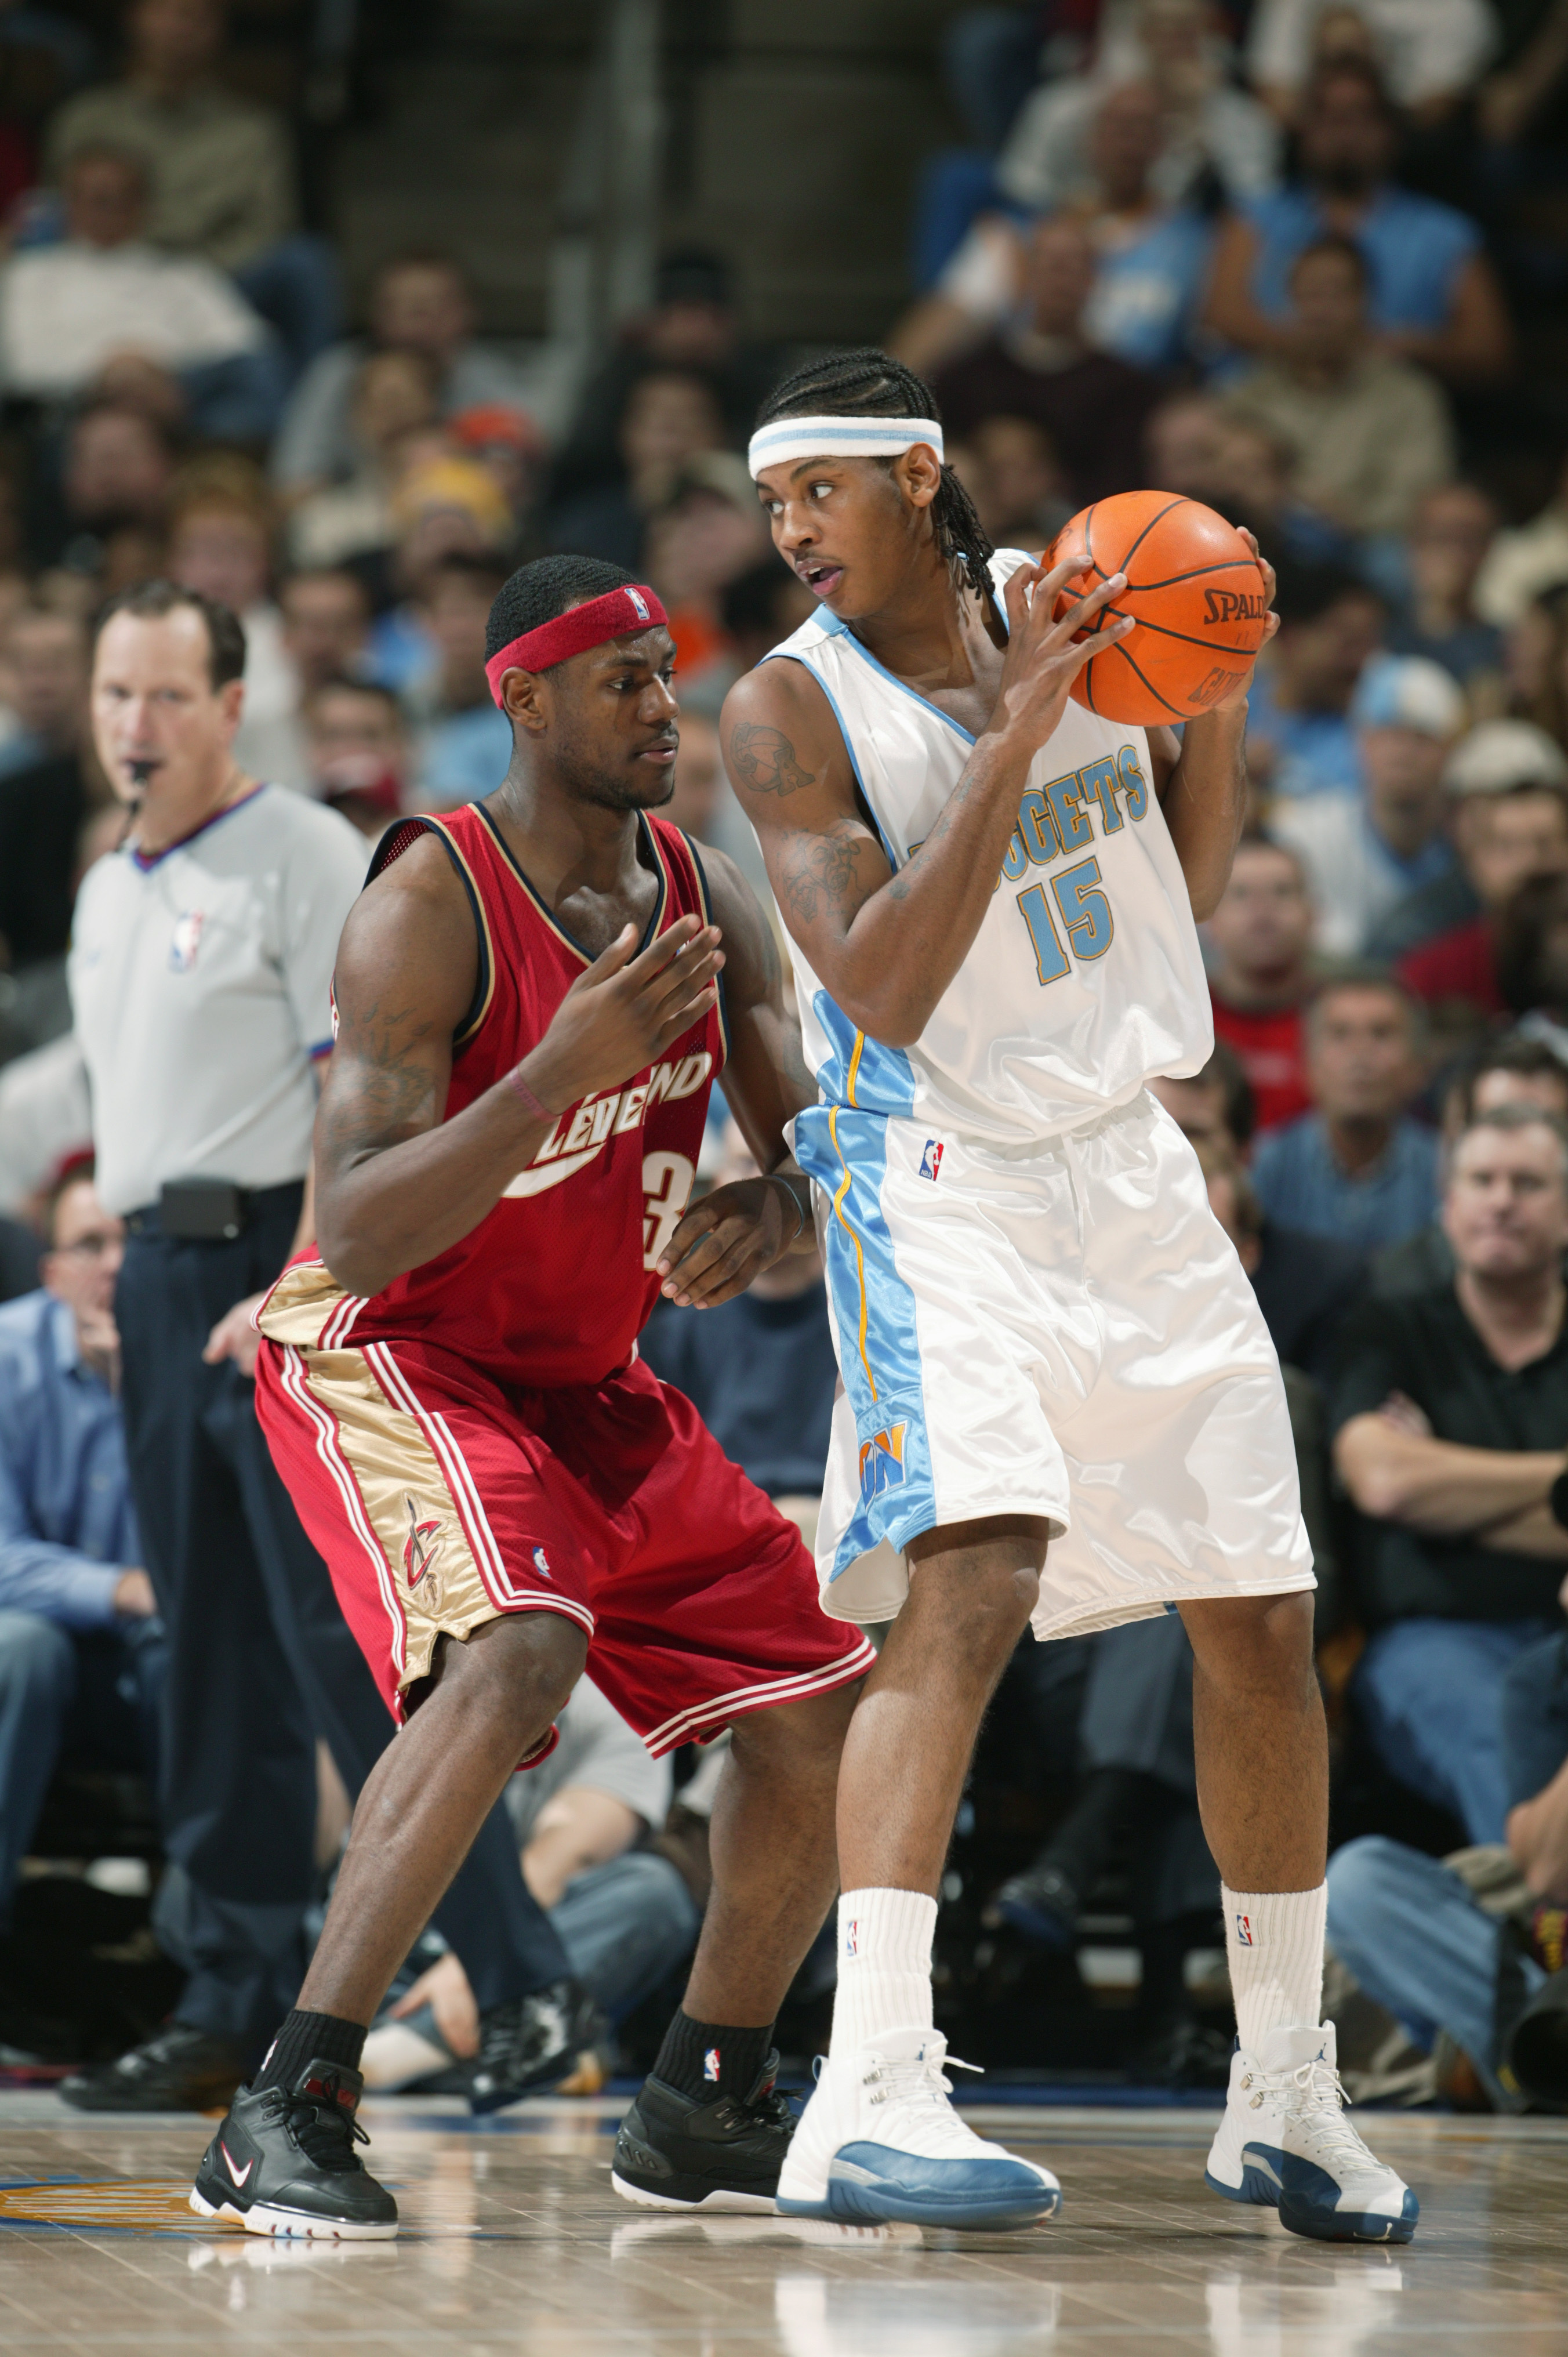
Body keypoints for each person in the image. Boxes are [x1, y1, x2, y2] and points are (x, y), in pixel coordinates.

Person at [727, 349, 1414, 2240]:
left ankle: (1284, 2086)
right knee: (968, 1583)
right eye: (772, 501)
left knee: (1261, 1611)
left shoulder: (1074, 600)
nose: (790, 531)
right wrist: (1013, 741)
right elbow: (871, 979)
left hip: (1126, 1157)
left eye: (824, 491)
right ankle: (868, 2084)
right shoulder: (788, 712)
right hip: (931, 1170)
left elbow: (1174, 884)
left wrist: (1214, 695)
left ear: (922, 477)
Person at [188, 555, 874, 2238]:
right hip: (391, 1348)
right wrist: (557, 1074)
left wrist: (766, 1215)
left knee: (815, 1707)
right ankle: (287, 2102)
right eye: (626, 680)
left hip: (585, 1381)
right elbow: (352, 1228)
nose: (666, 708)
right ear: (527, 700)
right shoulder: (428, 898)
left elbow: (811, 1159)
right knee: (520, 1650)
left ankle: (708, 2096)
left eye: (668, 675)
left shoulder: (704, 893)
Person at [64, 581, 581, 2117]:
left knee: (345, 1659)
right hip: (163, 1281)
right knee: (205, 1660)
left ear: (234, 708)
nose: (134, 729)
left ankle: (526, 1983)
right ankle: (233, 1987)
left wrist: (296, 1275)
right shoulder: (110, 887)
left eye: (166, 698)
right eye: (113, 698)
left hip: (279, 1276)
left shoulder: (300, 857)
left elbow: (360, 1097)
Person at [1332, 1105, 1568, 1844]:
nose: (1502, 1199)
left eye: (1527, 1182)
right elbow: (1384, 1482)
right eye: (1482, 1179)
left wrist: (1451, 1490)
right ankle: (1543, 1931)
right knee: (1491, 1736)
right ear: (1448, 1204)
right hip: (1433, 1641)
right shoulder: (1388, 1328)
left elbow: (1415, 1490)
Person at [0, 1167, 164, 2037]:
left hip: (152, 1663)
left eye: (130, 1243)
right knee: (22, 1647)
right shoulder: (4, 1356)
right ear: (50, 1269)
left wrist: (136, 1388)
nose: (111, 1266)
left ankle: (207, 1977)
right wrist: (120, 1589)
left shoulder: (199, 1359)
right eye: (88, 1246)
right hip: (36, 1668)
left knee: (202, 1650)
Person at [364, 1680, 702, 2088]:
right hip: (413, 1936)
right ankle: (529, 2052)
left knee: (653, 1894)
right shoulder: (415, 1675)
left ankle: (401, 2054)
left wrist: (480, 1963)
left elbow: (571, 1855)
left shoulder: (618, 1696)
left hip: (528, 1943)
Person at [1326, 1626, 1568, 2113]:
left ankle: (1537, 2060)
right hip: (1551, 1937)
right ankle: (1537, 2052)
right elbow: (1549, 1871)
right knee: (1358, 1881)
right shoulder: (1547, 1676)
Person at [45, 0, 337, 381]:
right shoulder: (84, 119)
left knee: (305, 261)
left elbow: (271, 226)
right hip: (108, 271)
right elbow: (54, 214)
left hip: (216, 273)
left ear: (221, 31)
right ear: (134, 20)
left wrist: (193, 278)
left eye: (199, 17)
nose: (182, 28)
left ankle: (318, 405)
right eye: (168, 13)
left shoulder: (253, 131)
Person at [1202, 60, 1513, 388]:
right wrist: (1328, 349)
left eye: (1360, 114)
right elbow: (1222, 315)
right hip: (1259, 408)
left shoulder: (1445, 234)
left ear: (1391, 131)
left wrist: (1408, 347)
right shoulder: (1252, 218)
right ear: (1302, 130)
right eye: (1327, 116)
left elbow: (1489, 353)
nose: (1343, 130)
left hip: (1382, 416)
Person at [0, 142, 281, 441]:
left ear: (143, 204)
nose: (110, 210)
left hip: (179, 406)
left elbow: (245, 346)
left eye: (123, 199)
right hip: (73, 410)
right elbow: (23, 367)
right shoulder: (29, 277)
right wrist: (114, 374)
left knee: (256, 385)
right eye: (98, 199)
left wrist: (163, 379)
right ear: (70, 203)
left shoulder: (183, 273)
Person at [1220, 236, 1455, 541]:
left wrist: (1350, 518)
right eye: (1308, 294)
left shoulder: (1408, 397)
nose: (1321, 310)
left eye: (1336, 294)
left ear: (1365, 302)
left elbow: (1421, 499)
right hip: (1262, 540)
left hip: (1363, 546)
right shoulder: (1249, 390)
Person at [930, 216, 1164, 508]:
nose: (1061, 281)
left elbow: (1124, 489)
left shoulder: (1126, 389)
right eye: (1052, 266)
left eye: (1074, 268)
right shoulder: (966, 377)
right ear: (1026, 276)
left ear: (1094, 281)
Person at [274, 253, 535, 503]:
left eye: (439, 305)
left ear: (467, 313)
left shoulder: (488, 379)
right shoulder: (339, 372)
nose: (423, 321)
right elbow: (293, 486)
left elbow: (523, 467)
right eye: (409, 307)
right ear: (377, 315)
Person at [1270, 654, 1464, 958]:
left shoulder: (1465, 840)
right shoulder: (1305, 834)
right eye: (1388, 735)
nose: (1403, 753)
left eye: (1421, 738)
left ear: (1451, 749)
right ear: (1360, 742)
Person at [1370, 1033, 1568, 1304]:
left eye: (1547, 1126)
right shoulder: (1397, 1284)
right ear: (1459, 1138)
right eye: (1500, 1122)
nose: (1521, 1147)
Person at [1250, 974, 1438, 1253]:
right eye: (1340, 1034)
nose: (1360, 1053)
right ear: (1307, 1064)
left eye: (1382, 1033)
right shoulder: (1265, 1169)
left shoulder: (1445, 1172)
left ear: (1419, 1066)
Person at [1389, 727, 1568, 1017]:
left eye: (1545, 844)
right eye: (1506, 848)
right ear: (1474, 860)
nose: (1528, 864)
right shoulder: (1430, 975)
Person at [1242, 557, 1385, 802]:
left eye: (1369, 646)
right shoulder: (1222, 699)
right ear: (1291, 637)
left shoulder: (1361, 745)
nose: (1360, 663)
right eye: (1348, 643)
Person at [1205, 835, 1317, 1132]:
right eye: (1241, 894)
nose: (1262, 912)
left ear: (1313, 916)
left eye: (1281, 892)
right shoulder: (1181, 1021)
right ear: (1212, 921)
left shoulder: (1345, 1022)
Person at [1386, 482, 1505, 702]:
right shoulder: (1375, 632)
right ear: (1412, 544)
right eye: (1440, 537)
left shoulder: (1504, 646)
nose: (1452, 554)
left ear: (1489, 549)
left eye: (1467, 540)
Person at [302, 677, 409, 840]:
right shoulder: (291, 832)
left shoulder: (432, 831)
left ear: (399, 746)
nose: (352, 751)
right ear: (313, 748)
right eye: (334, 736)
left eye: (370, 736)